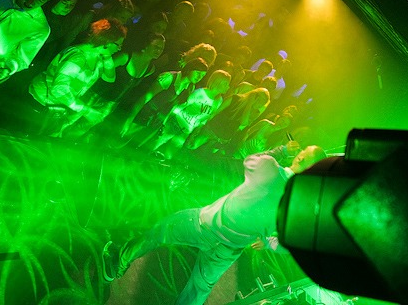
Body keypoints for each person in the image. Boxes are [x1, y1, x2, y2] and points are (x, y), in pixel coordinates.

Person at [101, 140, 327, 305]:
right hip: (229, 250)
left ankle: (116, 263)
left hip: (206, 225)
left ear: (300, 158)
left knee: (160, 231)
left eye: (303, 151)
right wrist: (268, 242)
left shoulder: (269, 167)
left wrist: (283, 151)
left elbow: (249, 161)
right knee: (200, 288)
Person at [27, 17, 127, 137]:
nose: (119, 49)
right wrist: (86, 111)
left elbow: (109, 78)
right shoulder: (77, 57)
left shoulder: (98, 57)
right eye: (118, 45)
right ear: (108, 41)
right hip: (41, 102)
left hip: (56, 106)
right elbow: (59, 89)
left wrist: (107, 56)